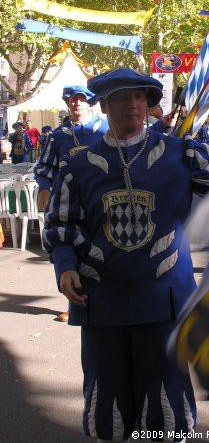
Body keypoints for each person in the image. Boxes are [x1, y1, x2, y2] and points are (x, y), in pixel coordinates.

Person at [42, 68, 209, 441]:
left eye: (140, 97)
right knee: (107, 398)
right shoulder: (77, 167)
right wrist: (65, 267)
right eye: (121, 98)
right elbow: (62, 228)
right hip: (100, 299)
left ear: (148, 104)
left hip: (165, 301)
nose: (132, 105)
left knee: (166, 399)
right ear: (105, 105)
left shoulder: (183, 154)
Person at [35, 84, 109, 323]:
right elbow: (45, 167)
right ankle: (74, 302)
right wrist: (44, 189)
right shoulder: (57, 137)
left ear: (90, 102)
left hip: (102, 200)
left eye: (81, 99)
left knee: (103, 250)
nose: (76, 103)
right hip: (68, 203)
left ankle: (107, 299)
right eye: (72, 99)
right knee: (69, 248)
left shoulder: (107, 129)